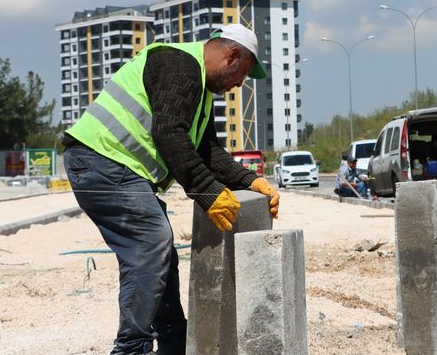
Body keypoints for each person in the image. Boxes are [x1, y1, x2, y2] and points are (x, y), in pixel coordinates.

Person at [62, 24, 280, 355]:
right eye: (243, 73)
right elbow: (169, 135)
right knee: (152, 241)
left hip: (113, 167)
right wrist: (207, 192)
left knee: (161, 252)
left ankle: (173, 343)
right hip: (100, 161)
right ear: (231, 55)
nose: (239, 84)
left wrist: (249, 180)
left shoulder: (200, 91)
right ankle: (131, 349)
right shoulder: (178, 64)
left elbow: (207, 152)